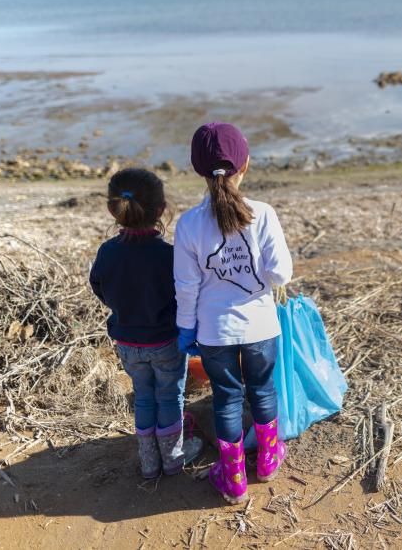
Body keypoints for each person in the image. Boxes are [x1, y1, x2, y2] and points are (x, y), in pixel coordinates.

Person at [174, 122, 293, 504]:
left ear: (197, 170)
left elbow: (187, 285)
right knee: (263, 390)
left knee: (226, 398)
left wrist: (185, 328)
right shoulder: (263, 214)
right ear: (246, 165)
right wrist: (254, 274)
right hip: (260, 327)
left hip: (214, 332)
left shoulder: (189, 223)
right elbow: (281, 273)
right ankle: (270, 461)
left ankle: (234, 475)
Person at [89, 168, 202, 479]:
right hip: (165, 341)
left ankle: (149, 462)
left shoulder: (107, 252)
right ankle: (173, 458)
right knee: (169, 396)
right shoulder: (168, 256)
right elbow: (184, 293)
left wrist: (123, 307)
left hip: (127, 342)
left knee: (143, 395)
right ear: (161, 210)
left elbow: (98, 285)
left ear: (112, 208)